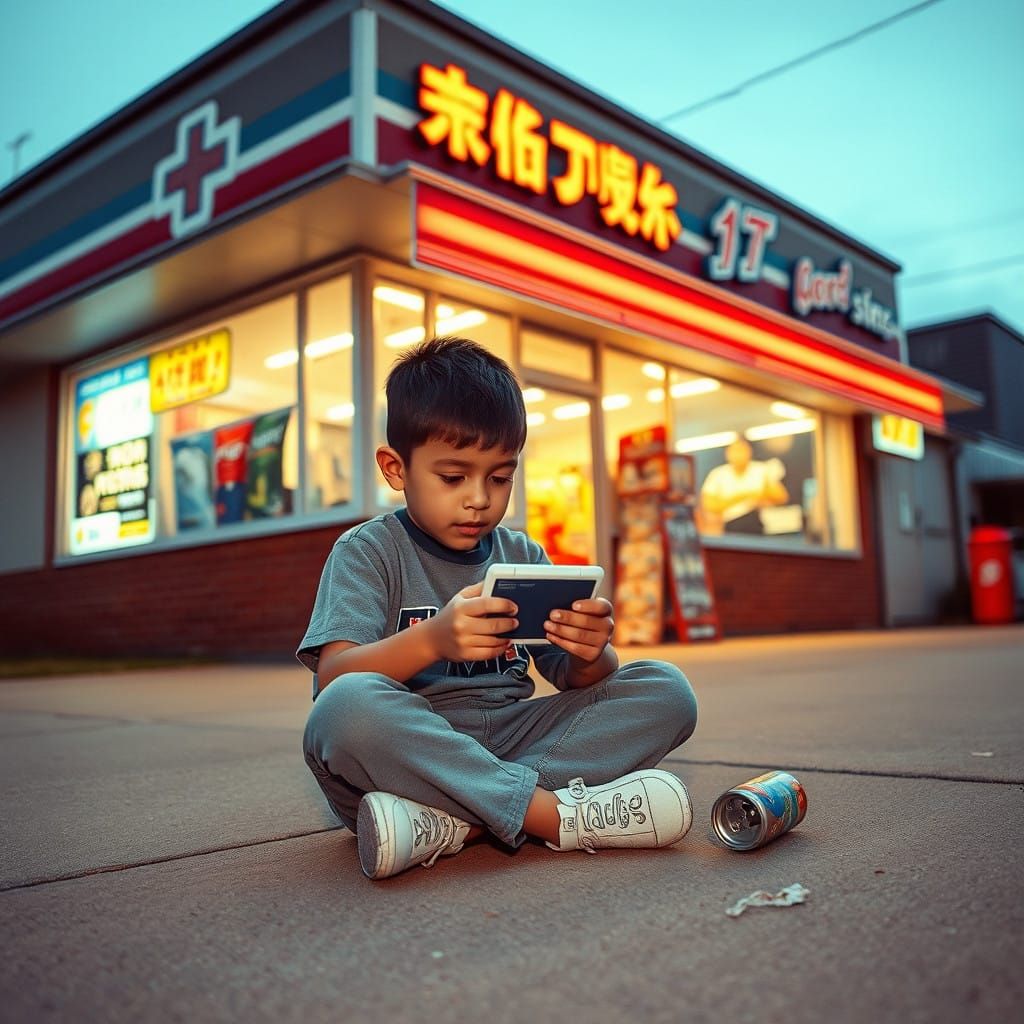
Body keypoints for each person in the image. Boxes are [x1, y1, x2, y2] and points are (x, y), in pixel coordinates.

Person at [298, 336, 698, 880]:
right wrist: (432, 641)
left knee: (666, 689)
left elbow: (580, 681)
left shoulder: (522, 555)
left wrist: (591, 651)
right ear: (396, 469)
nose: (479, 498)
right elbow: (333, 675)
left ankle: (455, 823)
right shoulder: (368, 552)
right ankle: (553, 816)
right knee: (346, 709)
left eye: (500, 477)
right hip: (412, 753)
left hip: (510, 739)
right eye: (452, 477)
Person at [699, 437, 789, 535]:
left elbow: (781, 496)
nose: (739, 454)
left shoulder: (760, 470)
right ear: (727, 453)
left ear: (749, 451)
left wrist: (762, 500)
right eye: (735, 450)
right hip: (730, 524)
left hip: (757, 524)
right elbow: (710, 504)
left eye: (742, 450)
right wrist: (745, 495)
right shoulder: (718, 474)